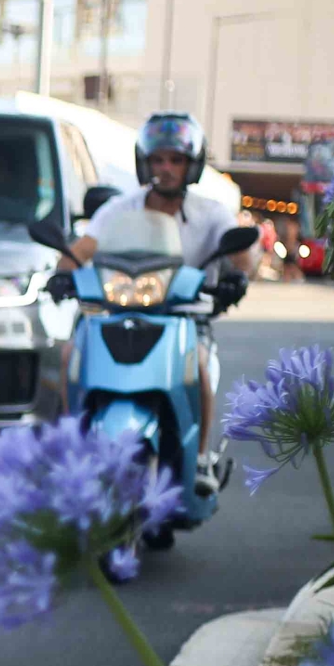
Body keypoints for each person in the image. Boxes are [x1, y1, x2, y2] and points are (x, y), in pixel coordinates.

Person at [61, 112, 257, 497]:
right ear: (144, 163)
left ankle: (199, 458)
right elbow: (81, 250)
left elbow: (244, 256)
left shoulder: (211, 212)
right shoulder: (121, 208)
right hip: (119, 312)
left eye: (175, 160)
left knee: (198, 367)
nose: (165, 169)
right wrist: (62, 272)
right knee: (71, 353)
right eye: (158, 160)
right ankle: (74, 447)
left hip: (183, 316)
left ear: (192, 165)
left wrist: (238, 277)